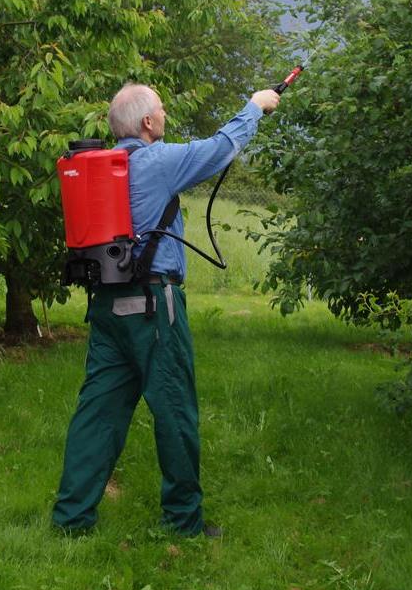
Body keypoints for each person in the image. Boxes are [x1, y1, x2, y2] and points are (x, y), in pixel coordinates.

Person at [51, 84, 281, 538]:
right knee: (174, 407)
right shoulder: (156, 162)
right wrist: (255, 106)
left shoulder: (99, 170)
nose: (164, 112)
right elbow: (219, 149)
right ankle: (183, 521)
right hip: (156, 306)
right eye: (160, 108)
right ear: (147, 124)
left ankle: (71, 519)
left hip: (107, 306)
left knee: (98, 413)